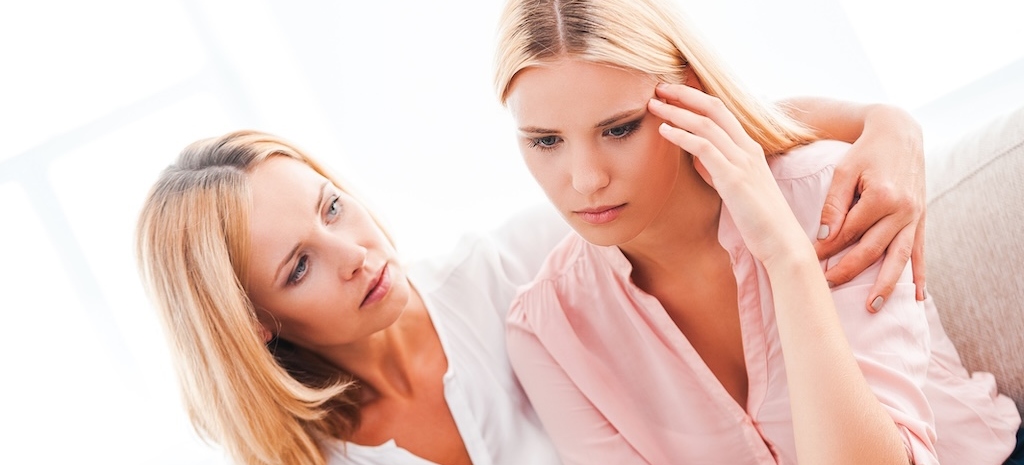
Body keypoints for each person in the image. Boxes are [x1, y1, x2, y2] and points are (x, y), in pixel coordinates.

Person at [137, 115, 926, 461]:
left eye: (333, 206)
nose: (354, 252)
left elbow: (706, 140)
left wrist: (888, 126)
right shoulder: (302, 457)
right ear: (258, 324)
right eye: (298, 266)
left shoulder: (513, 271)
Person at [493, 0, 1022, 464]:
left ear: (688, 94)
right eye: (544, 142)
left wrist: (788, 260)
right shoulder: (547, 329)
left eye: (619, 129)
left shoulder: (825, 194)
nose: (586, 181)